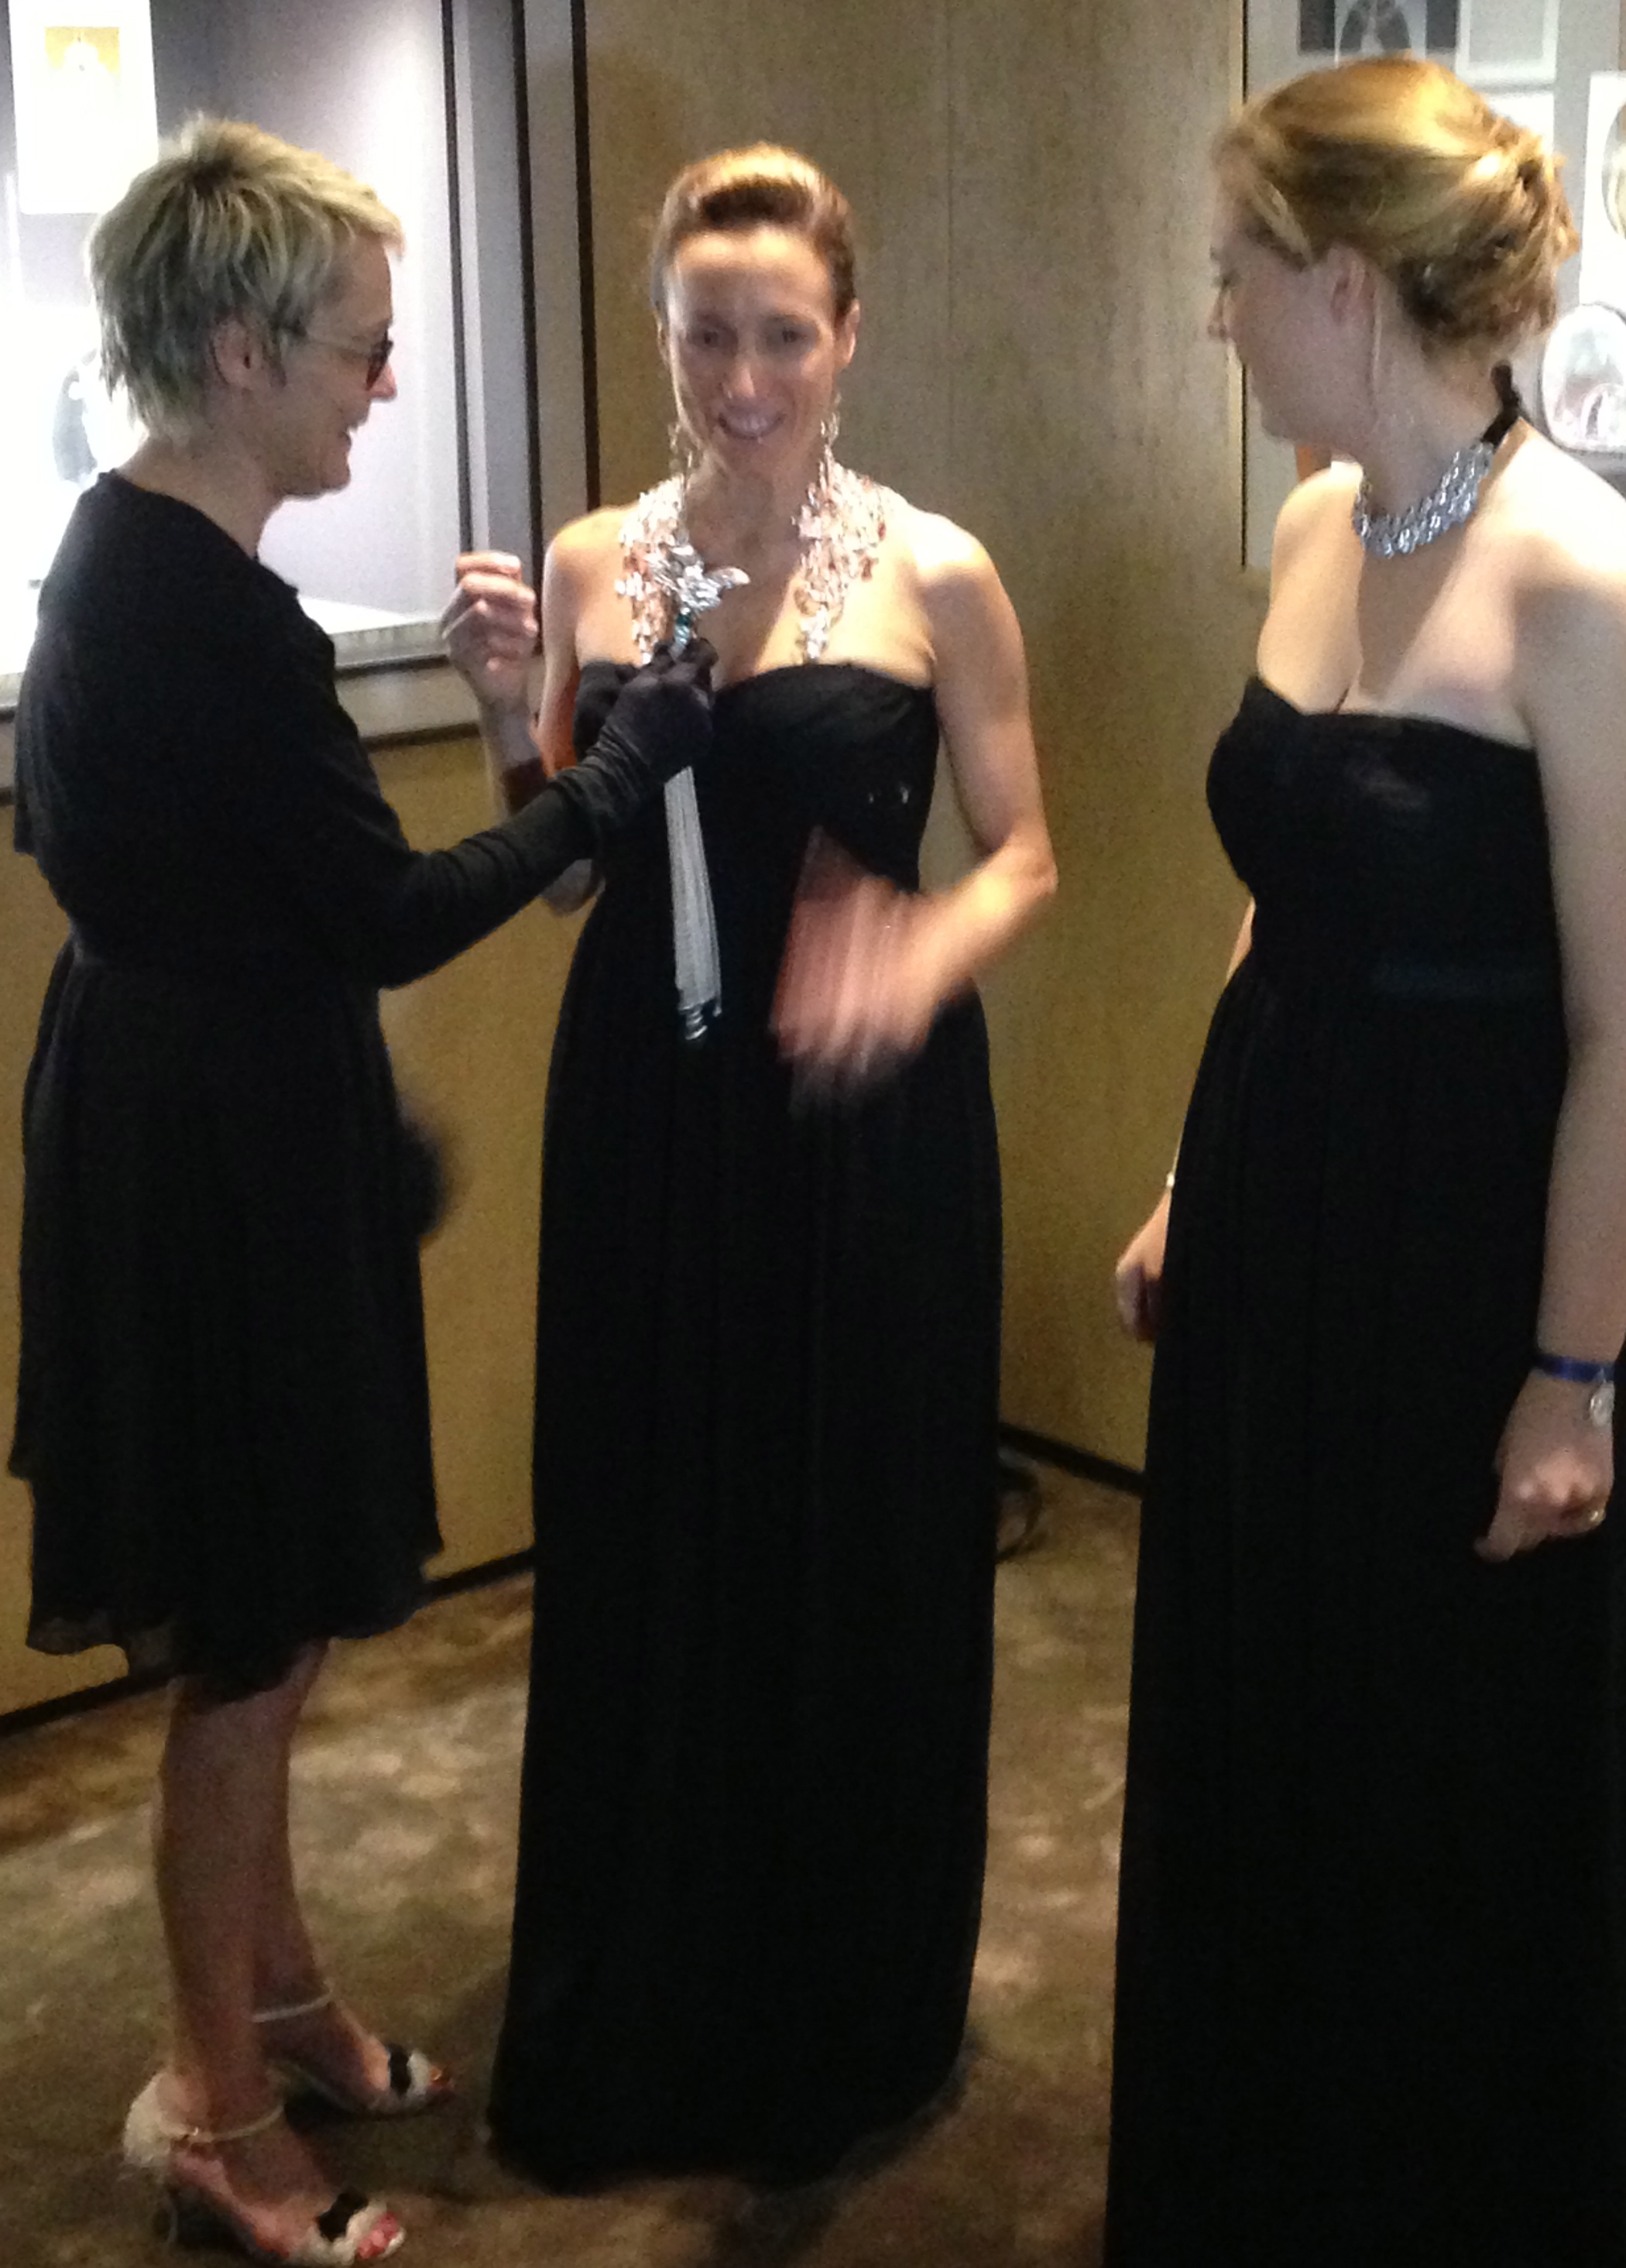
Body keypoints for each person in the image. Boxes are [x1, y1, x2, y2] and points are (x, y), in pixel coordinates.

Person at [10, 118, 713, 2265]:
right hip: (213, 1156)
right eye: (358, 348)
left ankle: (283, 2001)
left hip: (186, 1111)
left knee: (278, 1622)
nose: (380, 386)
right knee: (246, 1650)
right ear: (238, 352)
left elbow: (199, 879)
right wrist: (612, 767)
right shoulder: (202, 616)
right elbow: (388, 914)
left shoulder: (125, 558)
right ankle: (218, 2117)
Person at [1105, 57, 1626, 2266]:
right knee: (1284, 1743)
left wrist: (1572, 1382)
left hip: (1480, 1257)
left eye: (1234, 274)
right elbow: (1290, 902)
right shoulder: (1317, 528)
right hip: (1286, 1220)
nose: (1216, 317)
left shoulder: (1582, 574)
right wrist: (1196, 1182)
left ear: (1345, 283)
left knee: (1454, 1788)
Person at [441, 144, 1055, 2184]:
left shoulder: (935, 572)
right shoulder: (597, 562)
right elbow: (566, 870)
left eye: (784, 333)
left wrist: (916, 956)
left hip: (867, 1115)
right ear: (663, 334)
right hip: (647, 1103)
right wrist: (501, 712)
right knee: (654, 1521)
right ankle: (651, 1993)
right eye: (707, 333)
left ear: (848, 337)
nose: (744, 376)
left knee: (849, 1530)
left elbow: (1024, 855)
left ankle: (839, 2010)